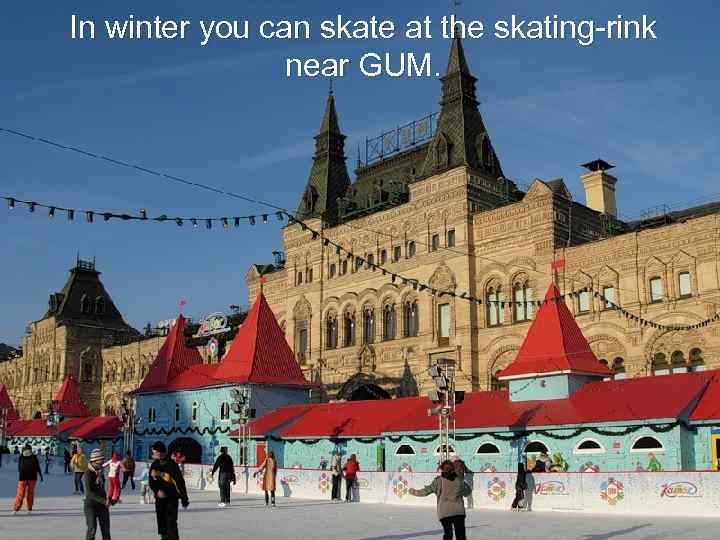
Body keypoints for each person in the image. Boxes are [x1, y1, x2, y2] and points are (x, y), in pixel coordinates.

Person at [409, 460, 471, 540]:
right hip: (458, 511)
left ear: (442, 469)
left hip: (445, 512)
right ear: (453, 469)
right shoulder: (459, 480)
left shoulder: (438, 481)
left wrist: (413, 491)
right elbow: (467, 492)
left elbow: (425, 492)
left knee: (448, 534)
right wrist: (464, 483)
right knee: (461, 535)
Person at [149, 441, 189, 540]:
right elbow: (151, 482)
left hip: (171, 499)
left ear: (161, 452)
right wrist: (157, 490)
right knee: (162, 524)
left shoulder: (172, 465)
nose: (153, 454)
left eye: (154, 452)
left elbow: (180, 483)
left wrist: (184, 498)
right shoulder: (154, 465)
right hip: (159, 500)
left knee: (171, 525)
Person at [84, 448, 111, 540]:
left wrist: (110, 499)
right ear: (95, 461)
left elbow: (102, 488)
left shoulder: (100, 471)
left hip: (102, 506)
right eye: (101, 460)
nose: (102, 463)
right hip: (91, 506)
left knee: (106, 531)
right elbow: (90, 493)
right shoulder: (88, 473)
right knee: (92, 530)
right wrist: (104, 501)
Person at [13, 444, 44, 515]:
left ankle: (16, 509)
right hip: (32, 478)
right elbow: (37, 467)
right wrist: (41, 476)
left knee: (20, 494)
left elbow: (19, 468)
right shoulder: (34, 457)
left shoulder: (21, 457)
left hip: (23, 477)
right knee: (30, 493)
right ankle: (29, 508)